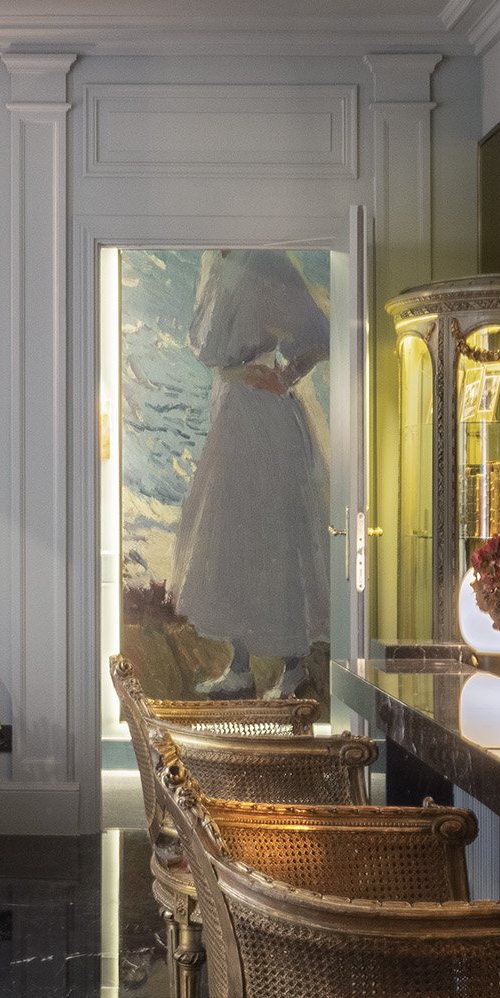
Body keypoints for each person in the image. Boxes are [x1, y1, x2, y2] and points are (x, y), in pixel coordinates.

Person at [169, 249, 331, 697]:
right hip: (232, 413)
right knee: (233, 540)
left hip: (268, 418)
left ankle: (293, 669)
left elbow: (320, 333)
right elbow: (207, 345)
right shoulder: (213, 262)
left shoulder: (267, 261)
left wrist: (287, 375)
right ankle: (241, 669)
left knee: (278, 538)